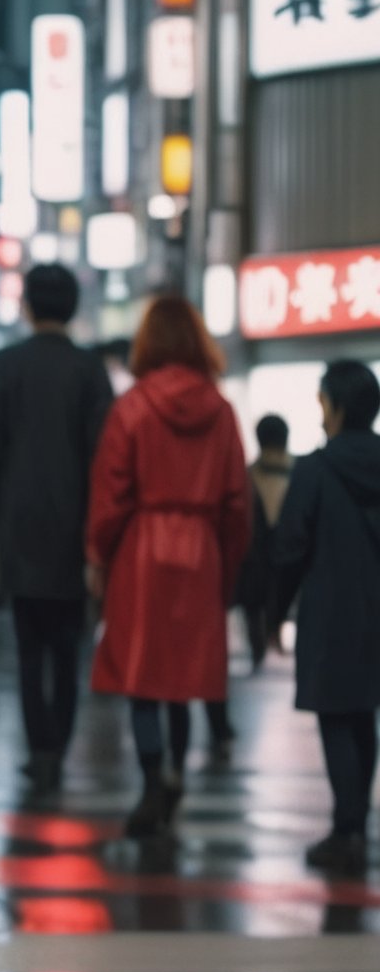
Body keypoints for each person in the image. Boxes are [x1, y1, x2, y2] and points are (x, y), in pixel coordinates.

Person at [86, 295, 249, 839]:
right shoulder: (222, 411)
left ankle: (153, 775)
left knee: (143, 676)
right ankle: (176, 768)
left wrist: (97, 554)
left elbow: (110, 495)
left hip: (143, 548)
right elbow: (235, 501)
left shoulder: (131, 407)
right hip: (201, 548)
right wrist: (227, 565)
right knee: (183, 676)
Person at [0, 262, 113, 794]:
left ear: (28, 304)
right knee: (67, 646)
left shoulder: (5, 365)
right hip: (75, 527)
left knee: (28, 648)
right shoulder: (89, 369)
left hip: (20, 525)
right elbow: (105, 456)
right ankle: (59, 741)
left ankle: (41, 751)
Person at [273, 362, 380, 870]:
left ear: (335, 406)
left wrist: (272, 614)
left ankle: (346, 830)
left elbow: (290, 548)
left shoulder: (315, 470)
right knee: (364, 715)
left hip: (332, 612)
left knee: (338, 717)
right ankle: (355, 825)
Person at [239, 413, 295, 669]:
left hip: (254, 560)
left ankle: (259, 653)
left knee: (253, 605)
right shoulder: (302, 473)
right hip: (291, 557)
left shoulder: (246, 476)